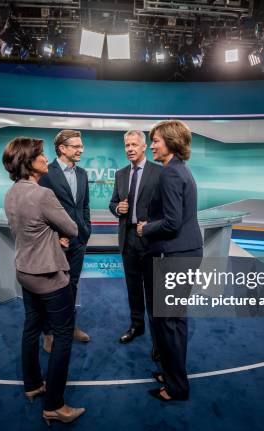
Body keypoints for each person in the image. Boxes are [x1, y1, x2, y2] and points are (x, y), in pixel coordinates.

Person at [3, 137, 85, 424]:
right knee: (63, 337)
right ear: (30, 162)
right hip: (49, 276)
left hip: (24, 272)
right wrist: (56, 232)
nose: (45, 159)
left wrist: (50, 234)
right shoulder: (43, 195)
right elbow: (72, 228)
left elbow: (31, 230)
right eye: (40, 155)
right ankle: (54, 405)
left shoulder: (11, 192)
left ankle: (33, 384)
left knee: (31, 328)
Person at [137, 120, 203, 402]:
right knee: (173, 321)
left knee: (169, 323)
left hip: (176, 255)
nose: (151, 145)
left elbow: (172, 222)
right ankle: (171, 374)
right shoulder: (178, 170)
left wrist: (145, 228)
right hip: (184, 254)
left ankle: (176, 388)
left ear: (172, 142)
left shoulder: (171, 174)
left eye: (156, 140)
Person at [39, 130, 91, 352]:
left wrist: (85, 230)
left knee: (72, 285)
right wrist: (55, 237)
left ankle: (68, 327)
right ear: (62, 148)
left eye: (81, 146)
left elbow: (84, 205)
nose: (81, 149)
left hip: (78, 241)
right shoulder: (45, 174)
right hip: (55, 243)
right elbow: (39, 211)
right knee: (51, 288)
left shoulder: (82, 174)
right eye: (76, 146)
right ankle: (49, 333)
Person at [109, 131, 162, 349]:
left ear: (144, 147)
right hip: (128, 238)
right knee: (133, 289)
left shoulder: (159, 173)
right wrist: (117, 208)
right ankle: (136, 326)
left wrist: (149, 226)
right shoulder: (121, 174)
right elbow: (112, 203)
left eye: (134, 145)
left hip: (150, 240)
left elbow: (167, 210)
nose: (129, 149)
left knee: (153, 292)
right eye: (126, 145)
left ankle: (158, 339)